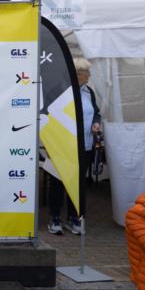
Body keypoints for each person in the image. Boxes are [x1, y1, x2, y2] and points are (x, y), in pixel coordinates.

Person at [46, 57, 100, 235]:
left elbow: (96, 112)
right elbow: (48, 115)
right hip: (63, 146)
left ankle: (73, 217)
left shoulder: (88, 92)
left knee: (77, 183)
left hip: (85, 145)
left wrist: (96, 123)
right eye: (84, 73)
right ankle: (55, 217)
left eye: (88, 73)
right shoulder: (60, 91)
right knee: (59, 182)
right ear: (74, 74)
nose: (87, 76)